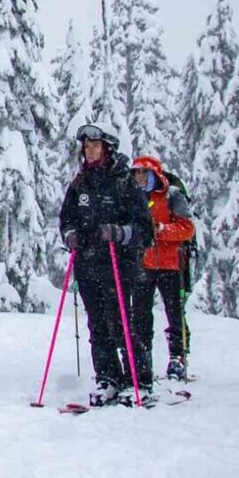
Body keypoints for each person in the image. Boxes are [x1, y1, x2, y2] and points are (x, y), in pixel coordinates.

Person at [58, 123, 155, 406]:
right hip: (88, 264)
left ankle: (140, 379)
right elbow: (66, 219)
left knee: (122, 322)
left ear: (107, 149)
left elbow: (144, 229)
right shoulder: (80, 184)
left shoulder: (123, 182)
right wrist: (70, 235)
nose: (89, 151)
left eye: (95, 146)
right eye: (86, 147)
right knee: (97, 325)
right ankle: (108, 377)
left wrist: (121, 232)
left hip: (119, 265)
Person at [130, 155, 198, 382]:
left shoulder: (172, 196)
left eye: (144, 173)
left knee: (175, 313)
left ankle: (177, 357)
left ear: (155, 175)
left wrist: (160, 229)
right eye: (137, 173)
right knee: (140, 314)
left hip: (171, 263)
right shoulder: (133, 197)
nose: (139, 178)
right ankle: (143, 356)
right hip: (143, 263)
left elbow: (187, 229)